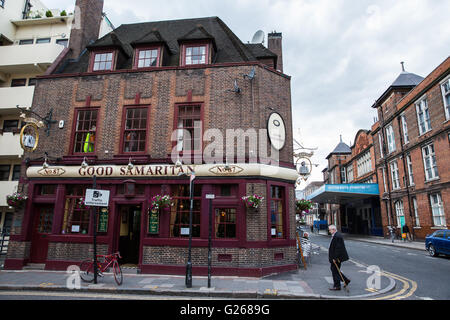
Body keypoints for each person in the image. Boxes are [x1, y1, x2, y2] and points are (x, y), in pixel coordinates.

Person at [328, 225, 350, 291]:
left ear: (333, 229)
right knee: (335, 270)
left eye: (330, 230)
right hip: (336, 257)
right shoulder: (336, 235)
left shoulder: (337, 236)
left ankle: (337, 286)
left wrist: (335, 258)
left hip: (337, 258)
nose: (329, 231)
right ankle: (346, 280)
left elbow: (338, 248)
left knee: (334, 271)